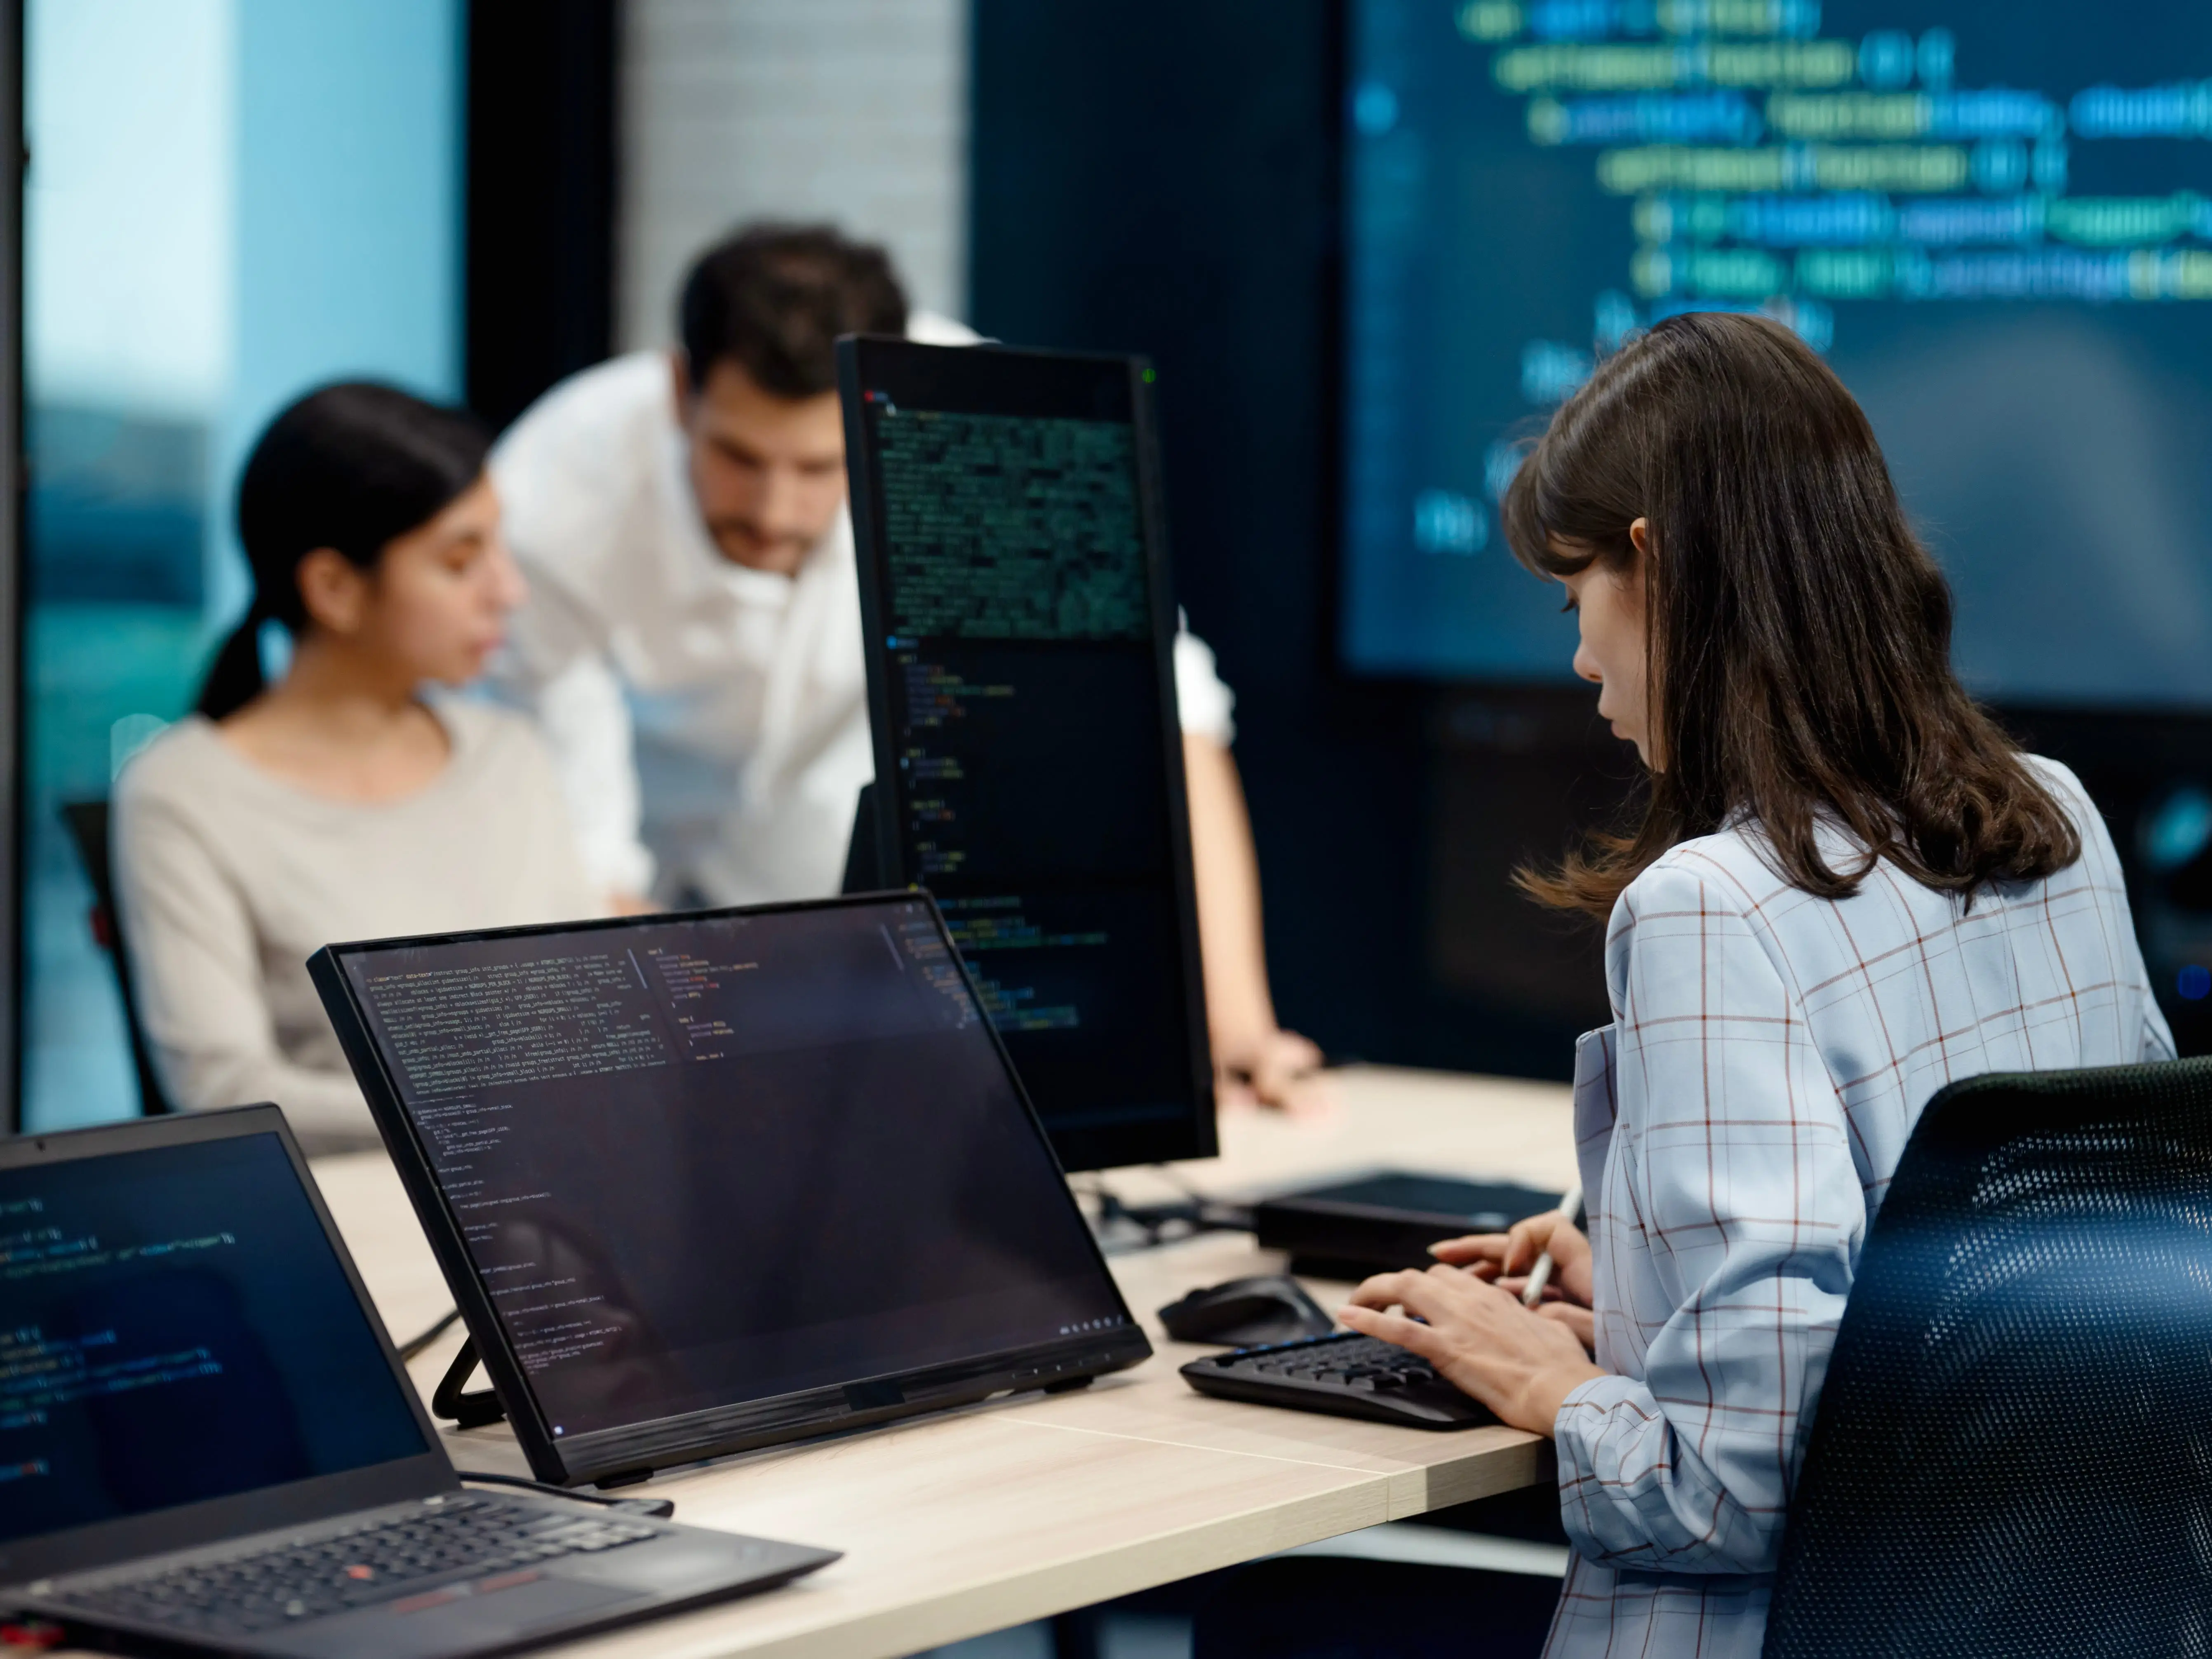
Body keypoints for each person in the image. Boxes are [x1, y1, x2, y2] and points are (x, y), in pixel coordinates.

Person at [1335, 313, 2174, 1657]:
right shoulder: (2053, 821)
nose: (1578, 660)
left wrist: (1552, 1383)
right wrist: (1644, 1297)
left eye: (1576, 599)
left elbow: (1731, 1492)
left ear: (1654, 564)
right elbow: (1989, 1318)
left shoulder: (1712, 908)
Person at [488, 222, 1321, 1107]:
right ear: (680, 388)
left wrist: (1235, 1027)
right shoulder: (555, 488)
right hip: (645, 860)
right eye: (739, 458)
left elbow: (1160, 715)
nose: (776, 510)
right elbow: (575, 824)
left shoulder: (980, 429)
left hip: (859, 885)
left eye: (818, 465)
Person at [113, 383, 600, 1152]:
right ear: (335, 588)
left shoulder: (510, 754)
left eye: (500, 548)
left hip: (551, 1179)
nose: (510, 590)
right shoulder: (185, 793)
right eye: (460, 561)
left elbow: (586, 1007)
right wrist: (485, 1114)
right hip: (362, 1208)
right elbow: (223, 1091)